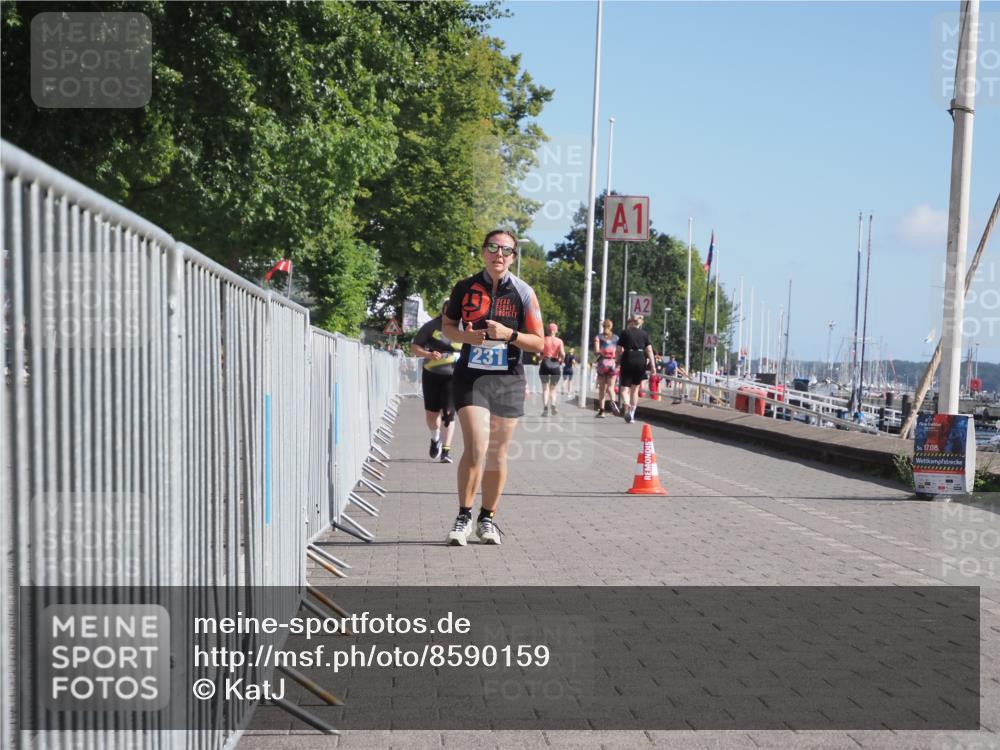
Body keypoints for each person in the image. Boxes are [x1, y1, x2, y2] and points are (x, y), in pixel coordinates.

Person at [442, 230, 544, 546]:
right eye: (493, 248)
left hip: (508, 379)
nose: (499, 254)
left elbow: (539, 342)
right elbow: (447, 328)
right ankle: (463, 517)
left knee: (498, 452)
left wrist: (508, 335)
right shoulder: (464, 288)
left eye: (506, 250)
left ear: (513, 256)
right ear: (484, 252)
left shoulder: (524, 293)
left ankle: (487, 519)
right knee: (476, 446)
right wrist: (465, 337)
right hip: (471, 377)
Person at [410, 302, 462, 463]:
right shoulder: (431, 326)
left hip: (454, 376)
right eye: (448, 314)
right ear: (443, 313)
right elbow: (414, 348)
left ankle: (446, 451)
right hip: (431, 374)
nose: (451, 318)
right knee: (431, 414)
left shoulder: (464, 328)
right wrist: (428, 353)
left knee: (448, 413)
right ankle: (435, 439)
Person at [616, 315, 656, 423]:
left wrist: (617, 361)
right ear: (641, 323)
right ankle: (632, 415)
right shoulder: (644, 334)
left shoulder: (625, 333)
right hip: (640, 360)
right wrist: (653, 365)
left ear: (630, 322)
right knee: (635, 389)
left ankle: (627, 406)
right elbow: (649, 351)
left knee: (624, 389)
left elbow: (619, 350)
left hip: (628, 358)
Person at [593, 318, 620, 418]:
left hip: (602, 363)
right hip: (613, 363)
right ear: (611, 327)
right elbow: (620, 351)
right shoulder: (616, 338)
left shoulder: (598, 337)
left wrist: (601, 352)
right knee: (611, 388)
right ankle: (613, 402)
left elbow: (596, 351)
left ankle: (602, 411)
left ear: (603, 326)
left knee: (602, 389)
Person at [538, 323, 565, 416]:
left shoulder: (543, 340)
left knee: (545, 389)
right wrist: (561, 360)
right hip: (555, 365)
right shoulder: (559, 341)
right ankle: (553, 404)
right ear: (556, 331)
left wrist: (540, 357)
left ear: (547, 330)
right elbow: (563, 354)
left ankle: (545, 409)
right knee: (553, 389)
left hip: (545, 363)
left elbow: (539, 354)